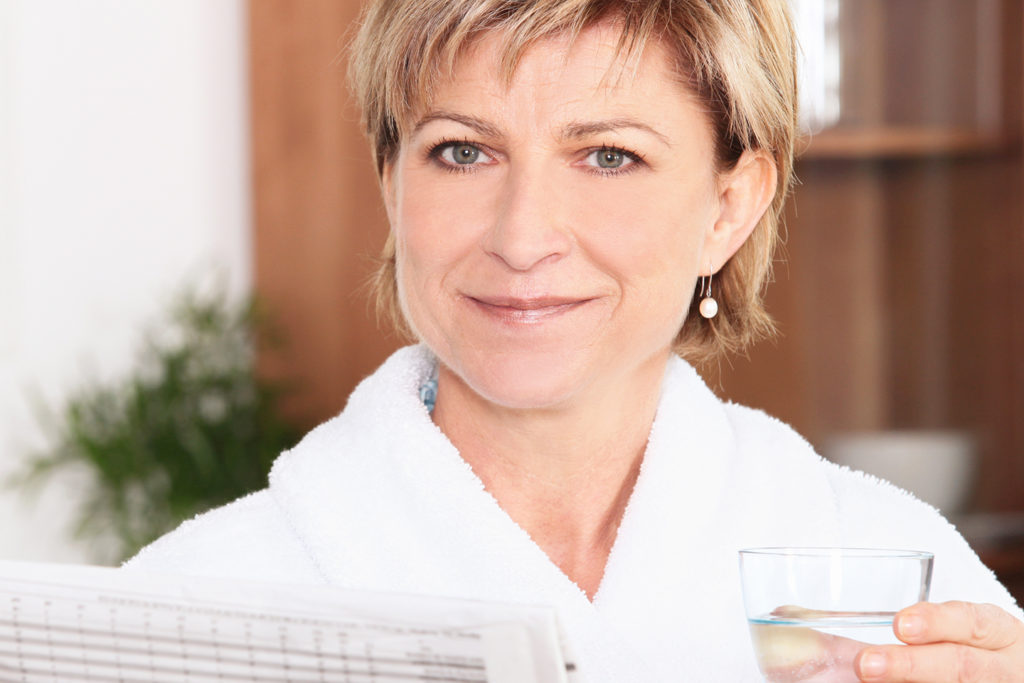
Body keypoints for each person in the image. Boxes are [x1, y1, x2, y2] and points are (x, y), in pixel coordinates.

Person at [126, 0, 1024, 679]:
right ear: (391, 181)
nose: (523, 237)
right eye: (463, 151)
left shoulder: (901, 583)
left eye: (608, 157)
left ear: (730, 205)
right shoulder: (191, 609)